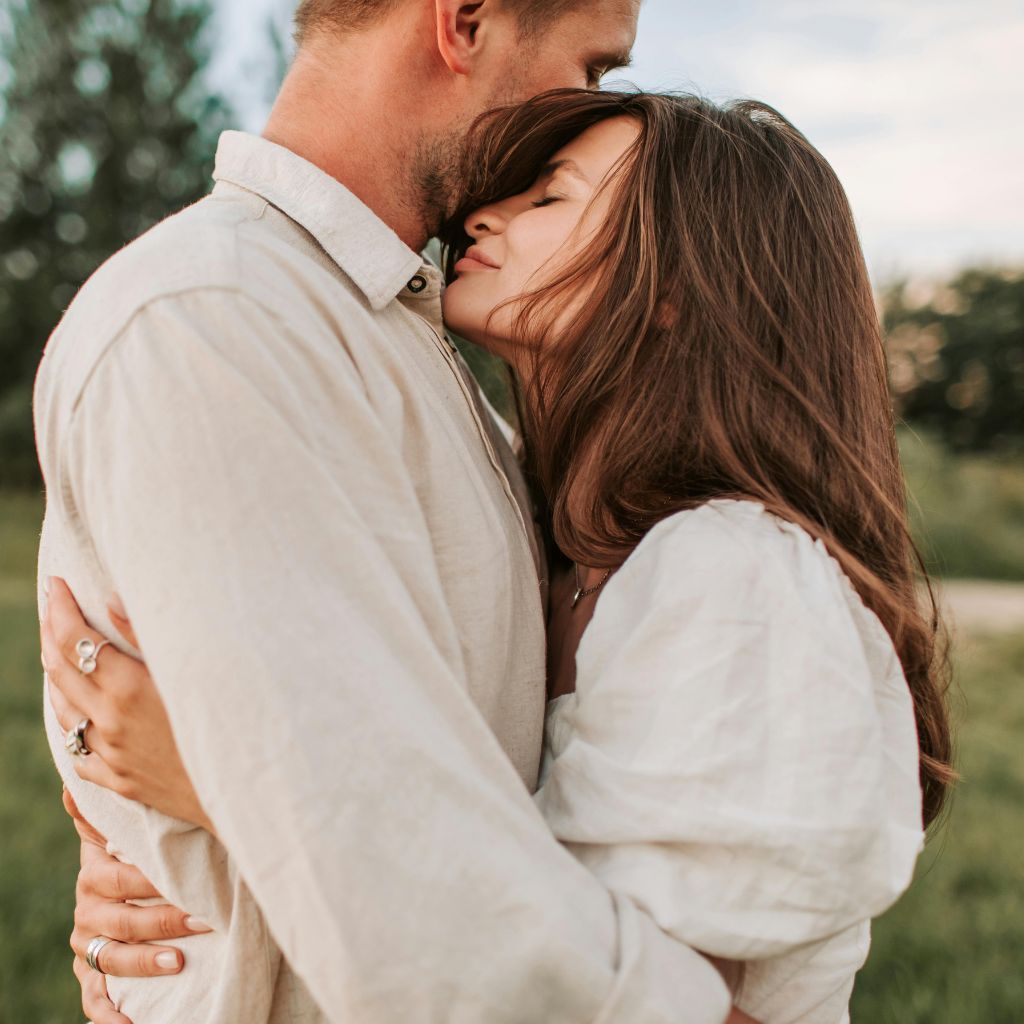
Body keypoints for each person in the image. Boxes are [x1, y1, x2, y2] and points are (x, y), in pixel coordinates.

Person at [43, 89, 955, 1024]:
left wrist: (235, 790)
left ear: (680, 285)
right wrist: (174, 906)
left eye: (551, 197)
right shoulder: (535, 531)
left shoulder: (734, 580)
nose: (484, 214)